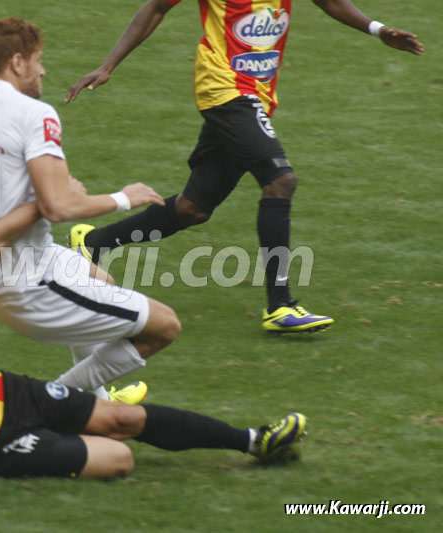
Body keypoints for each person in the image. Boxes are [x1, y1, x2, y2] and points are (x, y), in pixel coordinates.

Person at [0, 213, 308, 502]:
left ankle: (254, 441)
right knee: (118, 459)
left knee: (120, 416)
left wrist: (43, 201)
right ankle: (53, 440)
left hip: (3, 393)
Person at [64, 0, 424, 334]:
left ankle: (93, 242)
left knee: (194, 209)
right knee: (281, 181)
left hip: (258, 95)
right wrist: (107, 66)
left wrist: (378, 29)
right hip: (224, 91)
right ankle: (280, 307)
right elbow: (156, 8)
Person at [0, 17, 182, 404]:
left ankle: (97, 402)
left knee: (101, 282)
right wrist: (124, 197)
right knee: (164, 327)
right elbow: (57, 206)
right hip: (26, 279)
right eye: (38, 60)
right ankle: (56, 404)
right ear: (16, 63)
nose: (43, 70)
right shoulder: (35, 114)